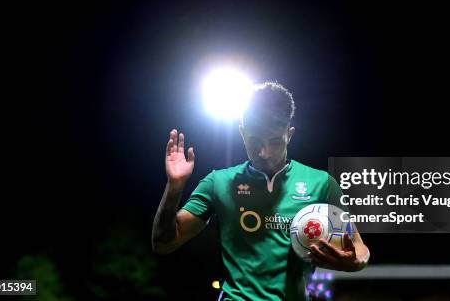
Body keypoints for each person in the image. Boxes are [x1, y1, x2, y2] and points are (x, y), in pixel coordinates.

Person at [152, 82, 370, 300]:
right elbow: (164, 243)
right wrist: (174, 187)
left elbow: (359, 248)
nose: (264, 153)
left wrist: (354, 262)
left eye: (275, 142)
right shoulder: (218, 181)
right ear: (242, 133)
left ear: (289, 135)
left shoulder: (321, 183)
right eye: (255, 141)